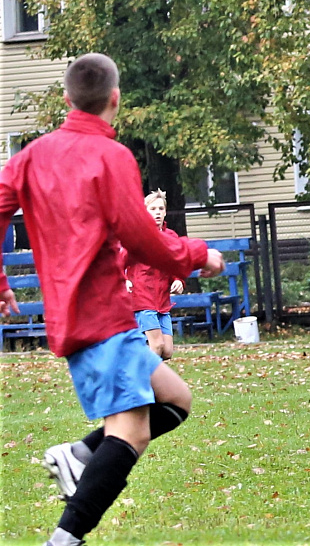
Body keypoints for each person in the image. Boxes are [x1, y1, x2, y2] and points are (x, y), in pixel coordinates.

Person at [0, 53, 224, 546]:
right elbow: (141, 237)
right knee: (132, 434)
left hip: (77, 314)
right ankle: (65, 538)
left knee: (176, 400)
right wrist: (197, 254)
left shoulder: (30, 156)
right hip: (101, 314)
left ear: (66, 99)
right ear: (116, 99)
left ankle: (79, 456)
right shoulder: (112, 157)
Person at [124, 190, 186, 360]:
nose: (157, 212)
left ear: (165, 211)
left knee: (166, 352)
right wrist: (124, 280)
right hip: (143, 298)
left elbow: (176, 266)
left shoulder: (170, 237)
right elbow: (117, 262)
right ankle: (141, 382)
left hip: (162, 301)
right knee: (156, 345)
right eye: (153, 209)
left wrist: (178, 280)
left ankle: (134, 362)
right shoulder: (138, 237)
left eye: (160, 209)